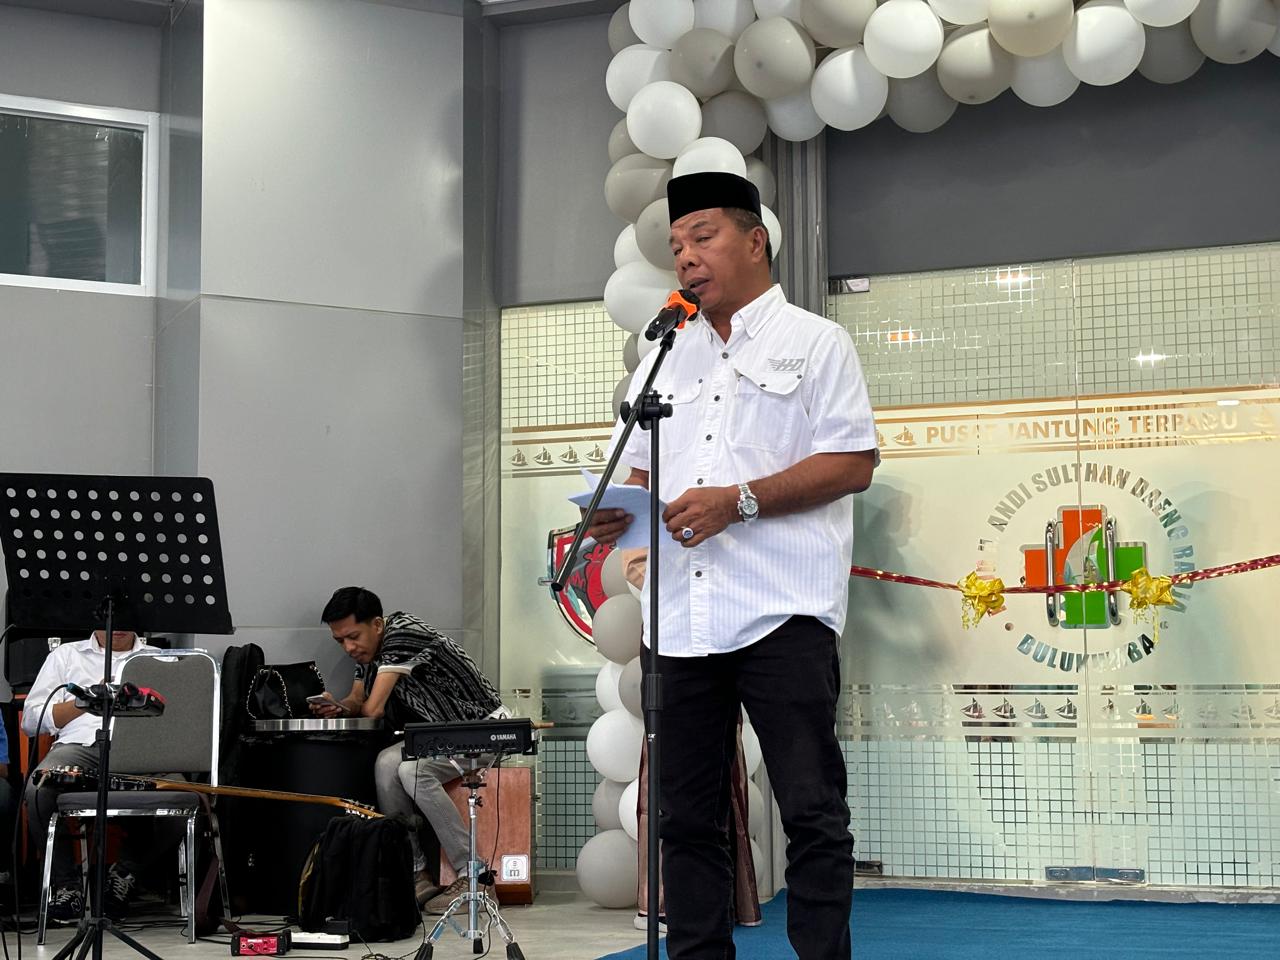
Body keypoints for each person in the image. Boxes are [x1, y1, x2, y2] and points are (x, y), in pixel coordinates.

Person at [587, 171, 878, 960]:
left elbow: (853, 462)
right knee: (683, 817)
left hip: (783, 611)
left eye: (703, 236)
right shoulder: (664, 354)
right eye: (676, 244)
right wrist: (616, 510)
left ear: (755, 241)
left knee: (812, 809)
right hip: (680, 618)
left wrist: (739, 501)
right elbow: (642, 473)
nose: (685, 256)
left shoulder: (816, 343)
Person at [313, 586, 505, 914]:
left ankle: (475, 876)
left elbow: (373, 709)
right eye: (340, 641)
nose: (348, 647)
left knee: (411, 770)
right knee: (385, 763)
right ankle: (417, 872)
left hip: (482, 729)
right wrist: (338, 706)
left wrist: (355, 707)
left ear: (377, 624)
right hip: (439, 736)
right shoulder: (369, 651)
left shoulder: (403, 635)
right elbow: (357, 700)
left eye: (353, 637)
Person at [22, 630, 182, 925]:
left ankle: (124, 874)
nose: (118, 625)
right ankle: (67, 887)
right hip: (80, 747)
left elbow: (181, 720)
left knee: (184, 797)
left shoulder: (161, 659)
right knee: (38, 789)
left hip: (144, 751)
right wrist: (82, 702)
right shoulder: (65, 655)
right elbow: (31, 721)